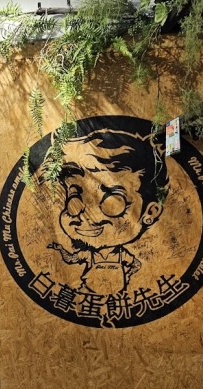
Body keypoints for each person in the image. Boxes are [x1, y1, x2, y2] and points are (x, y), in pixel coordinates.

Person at [44, 128, 168, 326]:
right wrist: (59, 248)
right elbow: (71, 258)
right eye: (74, 195)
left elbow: (135, 264)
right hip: (88, 291)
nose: (86, 214)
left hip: (117, 292)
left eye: (112, 201)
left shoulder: (121, 256)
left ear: (150, 213)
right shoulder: (90, 254)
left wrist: (128, 276)